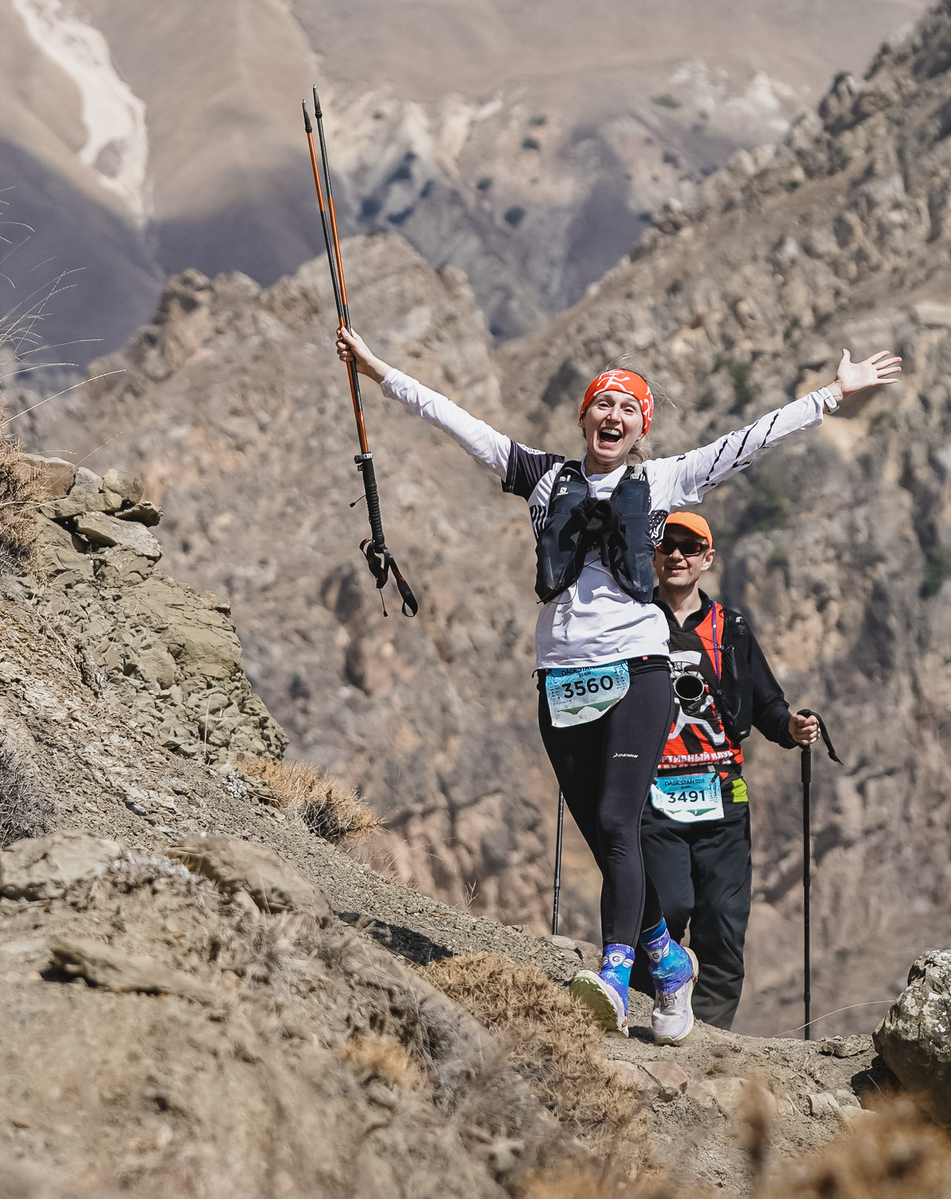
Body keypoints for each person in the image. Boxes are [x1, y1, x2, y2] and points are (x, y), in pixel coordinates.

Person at [332, 321, 900, 1040]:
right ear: (584, 416)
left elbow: (752, 439)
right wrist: (378, 369)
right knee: (605, 838)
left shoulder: (665, 480)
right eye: (603, 403)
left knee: (615, 821)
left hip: (638, 671)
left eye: (629, 409)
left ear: (642, 428)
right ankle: (667, 965)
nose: (614, 416)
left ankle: (614, 974)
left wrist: (831, 395)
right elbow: (452, 418)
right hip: (560, 681)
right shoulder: (539, 475)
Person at [638, 509, 817, 1035]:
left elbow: (767, 704)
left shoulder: (731, 629)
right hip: (653, 798)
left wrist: (792, 727)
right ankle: (654, 1024)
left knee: (722, 923)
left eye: (689, 548)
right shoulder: (630, 622)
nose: (676, 555)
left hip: (722, 798)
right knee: (666, 909)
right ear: (653, 554)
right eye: (667, 545)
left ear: (706, 559)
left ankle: (710, 1040)